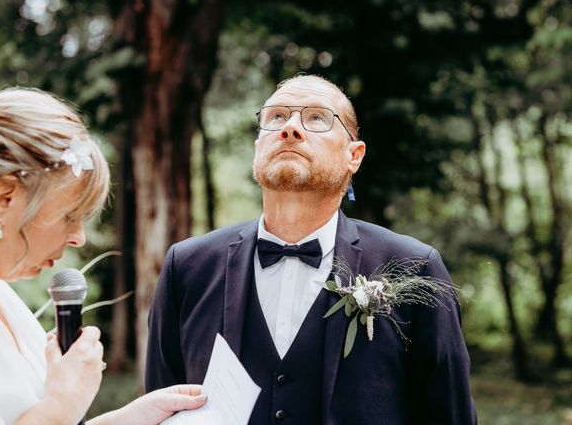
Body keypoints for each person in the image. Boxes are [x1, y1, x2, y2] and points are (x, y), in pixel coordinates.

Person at [145, 75, 477, 424]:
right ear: (258, 145)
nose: (290, 128)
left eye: (317, 118)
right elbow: (159, 409)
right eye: (276, 117)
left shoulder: (415, 267)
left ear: (354, 156)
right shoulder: (187, 267)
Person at [0, 88, 206, 425]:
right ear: (3, 199)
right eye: (70, 216)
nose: (78, 237)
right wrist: (64, 403)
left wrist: (130, 420)